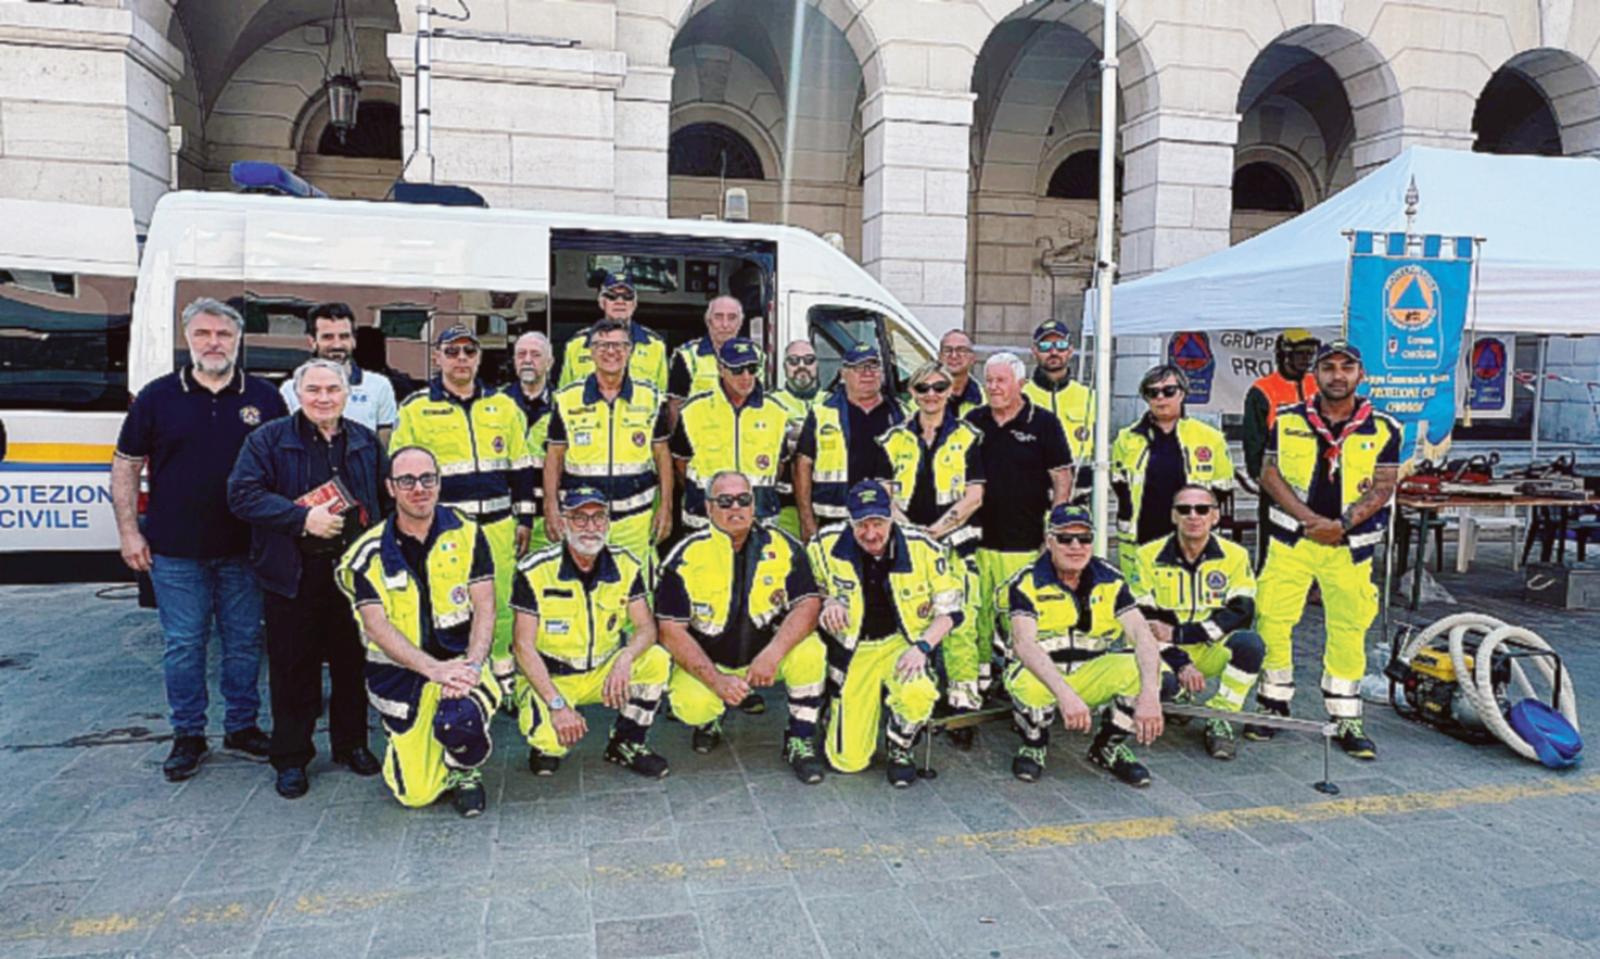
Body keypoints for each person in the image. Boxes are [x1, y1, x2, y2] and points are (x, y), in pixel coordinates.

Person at [111, 297, 287, 782]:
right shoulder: (157, 397)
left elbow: (284, 466)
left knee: (244, 642)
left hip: (246, 549)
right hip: (175, 550)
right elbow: (125, 465)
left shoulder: (266, 398)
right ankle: (188, 733)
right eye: (204, 334)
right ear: (187, 338)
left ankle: (242, 727)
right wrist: (129, 532)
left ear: (238, 340)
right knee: (185, 644)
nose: (214, 343)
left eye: (224, 334)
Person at [229, 359, 386, 797]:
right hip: (292, 573)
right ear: (298, 395)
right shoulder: (267, 440)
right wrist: (301, 519)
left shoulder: (365, 441)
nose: (323, 398)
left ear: (345, 394)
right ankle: (292, 757)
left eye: (332, 390)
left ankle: (351, 745)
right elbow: (242, 496)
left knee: (352, 665)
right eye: (313, 390)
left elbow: (382, 502)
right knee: (293, 669)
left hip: (352, 576)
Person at [1253, 340, 1399, 758]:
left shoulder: (1384, 426)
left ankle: (1345, 717)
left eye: (1346, 367)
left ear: (1360, 374)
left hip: (1349, 547)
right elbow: (1269, 474)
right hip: (1292, 541)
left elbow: (1385, 485)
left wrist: (1342, 524)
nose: (1338, 375)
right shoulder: (1286, 419)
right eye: (1329, 367)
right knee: (1273, 619)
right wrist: (1309, 520)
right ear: (1314, 374)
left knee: (1349, 628)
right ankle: (1273, 704)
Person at [335, 446, 500, 817]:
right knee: (416, 795)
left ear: (439, 484)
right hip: (402, 679)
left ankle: (463, 769)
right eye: (406, 480)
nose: (418, 488)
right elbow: (376, 627)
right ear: (390, 488)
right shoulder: (366, 555)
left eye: (427, 478)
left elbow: (485, 606)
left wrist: (472, 666)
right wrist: (434, 671)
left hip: (461, 666)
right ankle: (416, 739)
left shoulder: (468, 533)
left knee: (460, 717)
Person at [391, 325, 535, 700]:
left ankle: (502, 670)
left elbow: (521, 467)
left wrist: (525, 519)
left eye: (468, 352)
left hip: (498, 524)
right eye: (451, 352)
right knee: (449, 603)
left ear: (479, 357)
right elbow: (402, 472)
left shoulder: (504, 406)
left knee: (502, 602)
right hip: (447, 530)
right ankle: (452, 672)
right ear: (437, 357)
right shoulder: (416, 409)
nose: (460, 359)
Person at [656, 471, 828, 783]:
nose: (735, 507)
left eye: (743, 499)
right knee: (691, 705)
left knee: (811, 651)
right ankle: (709, 721)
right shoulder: (684, 557)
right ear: (709, 508)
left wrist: (774, 654)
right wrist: (717, 680)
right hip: (711, 663)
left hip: (766, 659)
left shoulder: (784, 547)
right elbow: (670, 631)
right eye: (725, 501)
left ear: (754, 504)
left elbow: (809, 603)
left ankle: (800, 738)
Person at [807, 480, 961, 787]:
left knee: (918, 692)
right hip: (855, 649)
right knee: (847, 762)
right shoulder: (823, 545)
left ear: (891, 516)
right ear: (848, 521)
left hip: (902, 644)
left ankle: (900, 743)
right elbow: (809, 590)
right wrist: (829, 601)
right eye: (861, 524)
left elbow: (952, 612)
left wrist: (922, 647)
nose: (871, 533)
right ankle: (834, 714)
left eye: (878, 522)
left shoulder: (925, 548)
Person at [511, 486, 672, 779]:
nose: (590, 527)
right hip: (551, 679)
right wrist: (557, 705)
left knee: (656, 659)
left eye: (598, 518)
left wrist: (625, 658)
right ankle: (544, 744)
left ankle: (627, 742)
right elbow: (522, 647)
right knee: (551, 741)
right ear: (563, 522)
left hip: (604, 671)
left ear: (608, 523)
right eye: (579, 518)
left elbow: (646, 627)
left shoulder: (625, 564)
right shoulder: (534, 570)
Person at [1004, 505, 1166, 785]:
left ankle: (1108, 747)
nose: (1076, 546)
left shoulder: (1110, 579)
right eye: (1066, 539)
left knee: (1143, 669)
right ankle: (1033, 745)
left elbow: (1142, 634)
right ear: (1049, 541)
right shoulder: (1026, 582)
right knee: (1028, 685)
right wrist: (1066, 695)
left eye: (1085, 538)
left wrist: (1151, 695)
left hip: (1088, 671)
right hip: (1045, 676)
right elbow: (1024, 645)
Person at [874, 361, 988, 733]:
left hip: (954, 544)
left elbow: (974, 496)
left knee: (960, 622)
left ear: (951, 390)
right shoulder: (891, 439)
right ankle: (909, 693)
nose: (932, 395)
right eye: (923, 388)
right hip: (907, 545)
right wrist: (912, 534)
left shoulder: (970, 437)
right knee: (910, 616)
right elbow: (884, 496)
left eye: (940, 387)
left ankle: (962, 707)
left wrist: (935, 532)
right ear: (912, 392)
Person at [964, 352, 1073, 697]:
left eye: (1001, 380)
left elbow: (1062, 478)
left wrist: (1055, 529)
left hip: (1024, 543)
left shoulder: (1043, 423)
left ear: (1021, 384)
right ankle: (976, 687)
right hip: (977, 540)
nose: (993, 387)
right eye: (989, 380)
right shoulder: (973, 420)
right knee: (976, 619)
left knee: (1020, 620)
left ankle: (1022, 689)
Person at [1130, 485, 1263, 761]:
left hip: (1208, 645)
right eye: (1184, 509)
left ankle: (1221, 716)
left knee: (1250, 644)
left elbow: (1242, 612)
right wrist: (1181, 662)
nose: (1193, 516)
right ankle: (1177, 695)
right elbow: (1146, 622)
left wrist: (1182, 633)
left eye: (1202, 509)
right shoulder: (1146, 556)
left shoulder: (1235, 556)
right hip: (1164, 651)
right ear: (1173, 516)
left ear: (1215, 516)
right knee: (1161, 684)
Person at [544, 319, 674, 568]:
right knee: (581, 589)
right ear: (591, 352)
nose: (611, 352)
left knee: (635, 589)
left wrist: (666, 507)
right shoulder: (567, 399)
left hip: (635, 520)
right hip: (582, 519)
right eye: (602, 345)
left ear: (630, 350)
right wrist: (550, 506)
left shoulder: (651, 398)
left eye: (618, 345)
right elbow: (554, 457)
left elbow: (662, 455)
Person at [1111, 365, 1234, 579]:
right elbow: (1119, 485)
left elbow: (1222, 488)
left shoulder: (1209, 438)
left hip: (1192, 535)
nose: (1160, 398)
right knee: (1141, 602)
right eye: (1152, 392)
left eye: (1168, 391)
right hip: (1141, 535)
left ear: (1182, 393)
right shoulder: (1126, 438)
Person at [671, 338, 790, 529]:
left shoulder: (777, 412)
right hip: (705, 521)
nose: (745, 376)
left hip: (759, 520)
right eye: (737, 369)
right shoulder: (693, 411)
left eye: (752, 368)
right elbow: (680, 463)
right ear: (720, 368)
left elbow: (780, 465)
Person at [793, 343, 904, 540]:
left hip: (885, 522)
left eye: (873, 366)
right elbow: (803, 466)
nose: (867, 373)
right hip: (834, 520)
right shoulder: (823, 413)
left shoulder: (901, 414)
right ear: (843, 374)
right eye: (859, 367)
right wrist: (807, 521)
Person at [1242, 329, 1320, 568]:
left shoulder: (1317, 385)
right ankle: (1270, 579)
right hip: (1279, 478)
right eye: (1300, 355)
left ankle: (1312, 583)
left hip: (1316, 477)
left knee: (1315, 535)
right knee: (1276, 535)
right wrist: (1261, 477)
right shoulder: (1263, 390)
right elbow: (1253, 440)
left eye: (1309, 354)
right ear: (1284, 356)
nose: (1306, 360)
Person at [278, 302, 398, 446]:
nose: (337, 345)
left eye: (344, 336)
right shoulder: (290, 389)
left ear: (353, 340)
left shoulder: (379, 386)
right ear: (312, 341)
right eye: (328, 337)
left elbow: (383, 444)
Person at [1021, 321, 1096, 501]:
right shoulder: (1021, 397)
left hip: (1078, 501)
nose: (1054, 352)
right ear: (1035, 351)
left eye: (1060, 345)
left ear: (1070, 350)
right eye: (1046, 346)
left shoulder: (1090, 397)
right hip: (1030, 499)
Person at [558, 272, 669, 392]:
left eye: (627, 296)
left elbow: (662, 398)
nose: (620, 301)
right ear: (601, 302)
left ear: (634, 303)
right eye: (612, 296)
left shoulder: (655, 346)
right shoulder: (576, 345)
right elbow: (564, 396)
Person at [507, 331, 556, 552]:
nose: (527, 360)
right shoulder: (496, 405)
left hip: (552, 521)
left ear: (550, 362)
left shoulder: (566, 407)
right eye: (521, 354)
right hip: (507, 519)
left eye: (535, 354)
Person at [667, 295, 747, 422]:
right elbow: (675, 405)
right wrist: (679, 440)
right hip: (700, 438)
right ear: (708, 321)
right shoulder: (686, 355)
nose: (725, 325)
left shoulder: (756, 355)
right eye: (718, 317)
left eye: (732, 318)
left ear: (740, 322)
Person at [772, 339, 822, 538]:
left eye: (808, 360)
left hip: (825, 509)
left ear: (817, 365)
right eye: (793, 361)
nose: (802, 366)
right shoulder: (770, 404)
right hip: (784, 507)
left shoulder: (833, 403)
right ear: (784, 367)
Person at [937, 330, 985, 418]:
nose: (954, 355)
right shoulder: (921, 398)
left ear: (973, 358)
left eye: (961, 350)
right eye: (948, 350)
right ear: (939, 357)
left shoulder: (986, 400)